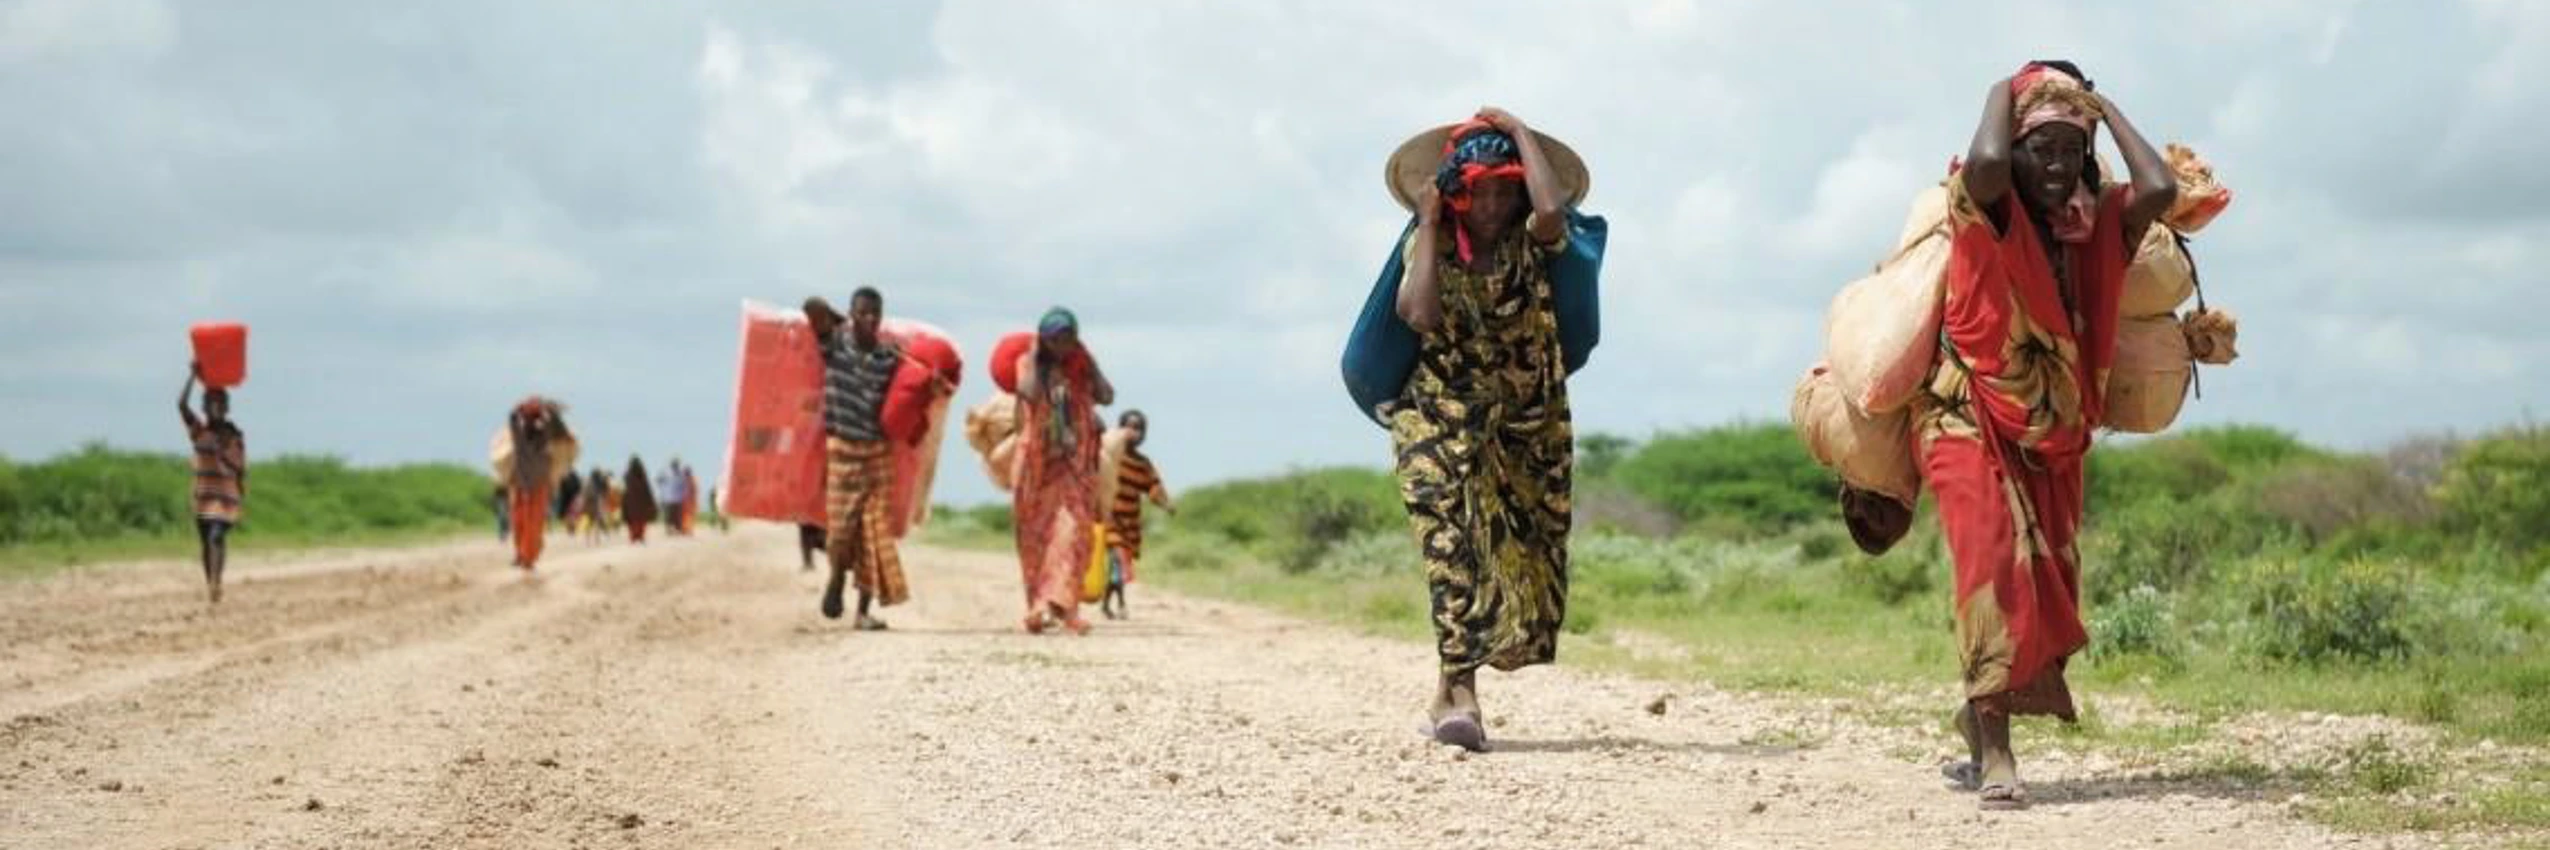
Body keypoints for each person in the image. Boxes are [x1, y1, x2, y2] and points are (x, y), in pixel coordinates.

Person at [1919, 62, 2177, 811]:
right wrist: (2006, 86)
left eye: (2073, 151)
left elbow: (2160, 189)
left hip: (2054, 435)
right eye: (2044, 150)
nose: (2058, 167)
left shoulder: (2098, 230)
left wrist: (2097, 107)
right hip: (1966, 414)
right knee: (1993, 569)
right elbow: (1990, 160)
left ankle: (1978, 716)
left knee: (2046, 584)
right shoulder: (1984, 209)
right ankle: (1997, 752)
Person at [1385, 107, 1587, 752]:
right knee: (1451, 543)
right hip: (1437, 413)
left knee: (1517, 547)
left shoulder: (1534, 237)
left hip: (1524, 418)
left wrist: (1525, 131)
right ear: (1456, 190)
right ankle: (1463, 691)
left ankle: (1448, 685)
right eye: (1482, 188)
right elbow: (1418, 314)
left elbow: (1553, 215)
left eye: (1507, 188)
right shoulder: (1430, 242)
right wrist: (1428, 222)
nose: (1495, 203)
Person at [805, 287, 911, 629]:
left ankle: (863, 611)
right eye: (863, 313)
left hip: (878, 454)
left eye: (875, 314)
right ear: (852, 314)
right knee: (839, 533)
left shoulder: (888, 357)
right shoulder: (834, 343)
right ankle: (836, 578)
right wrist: (841, 321)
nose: (870, 319)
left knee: (874, 535)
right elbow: (812, 305)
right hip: (843, 453)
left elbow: (910, 389)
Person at [1011, 307, 1112, 635]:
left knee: (1071, 534)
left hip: (1074, 464)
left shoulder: (1080, 367)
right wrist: (1037, 356)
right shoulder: (1030, 366)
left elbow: (1107, 396)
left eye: (1069, 338)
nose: (1063, 346)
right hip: (1037, 467)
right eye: (1056, 339)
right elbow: (1027, 392)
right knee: (1036, 538)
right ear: (1044, 339)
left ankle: (1068, 609)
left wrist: (1090, 363)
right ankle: (1039, 606)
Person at [178, 363, 247, 604]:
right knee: (206, 541)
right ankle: (212, 584)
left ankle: (216, 581)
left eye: (219, 404)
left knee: (216, 536)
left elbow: (240, 466)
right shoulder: (199, 431)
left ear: (226, 408)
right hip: (205, 494)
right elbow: (181, 405)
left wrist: (242, 496)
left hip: (226, 495)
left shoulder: (233, 434)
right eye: (210, 403)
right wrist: (192, 377)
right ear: (205, 407)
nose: (215, 407)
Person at [1100, 410, 1174, 620]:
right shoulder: (1108, 455)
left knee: (1120, 567)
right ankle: (1120, 604)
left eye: (1140, 429)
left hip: (1129, 522)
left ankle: (1108, 604)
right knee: (1118, 563)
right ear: (1119, 430)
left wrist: (1166, 504)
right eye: (1130, 427)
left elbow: (1153, 485)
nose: (1136, 433)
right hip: (1109, 519)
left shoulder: (1142, 464)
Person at [504, 398, 566, 571]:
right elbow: (513, 419)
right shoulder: (526, 438)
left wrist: (523, 409)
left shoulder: (536, 437)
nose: (530, 423)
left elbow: (513, 419)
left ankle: (527, 557)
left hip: (532, 487)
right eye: (528, 420)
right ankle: (522, 555)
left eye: (532, 420)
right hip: (526, 486)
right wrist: (545, 410)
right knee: (523, 524)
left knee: (528, 524)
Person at [622, 456, 659, 543]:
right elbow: (647, 488)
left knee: (633, 519)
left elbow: (626, 488)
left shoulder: (629, 475)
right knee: (640, 519)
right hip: (640, 501)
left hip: (632, 501)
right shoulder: (641, 474)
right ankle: (639, 536)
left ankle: (635, 536)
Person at [656, 459, 690, 537]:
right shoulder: (667, 474)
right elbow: (658, 480)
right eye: (674, 465)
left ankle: (678, 529)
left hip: (678, 499)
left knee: (677, 516)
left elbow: (684, 486)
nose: (675, 466)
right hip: (668, 498)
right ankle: (669, 530)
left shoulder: (681, 475)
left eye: (676, 465)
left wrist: (684, 496)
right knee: (668, 516)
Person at [582, 468, 611, 543]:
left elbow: (584, 493)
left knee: (591, 521)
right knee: (597, 520)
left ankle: (589, 537)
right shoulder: (598, 482)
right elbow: (604, 492)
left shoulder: (588, 482)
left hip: (589, 504)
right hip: (596, 502)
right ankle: (597, 538)